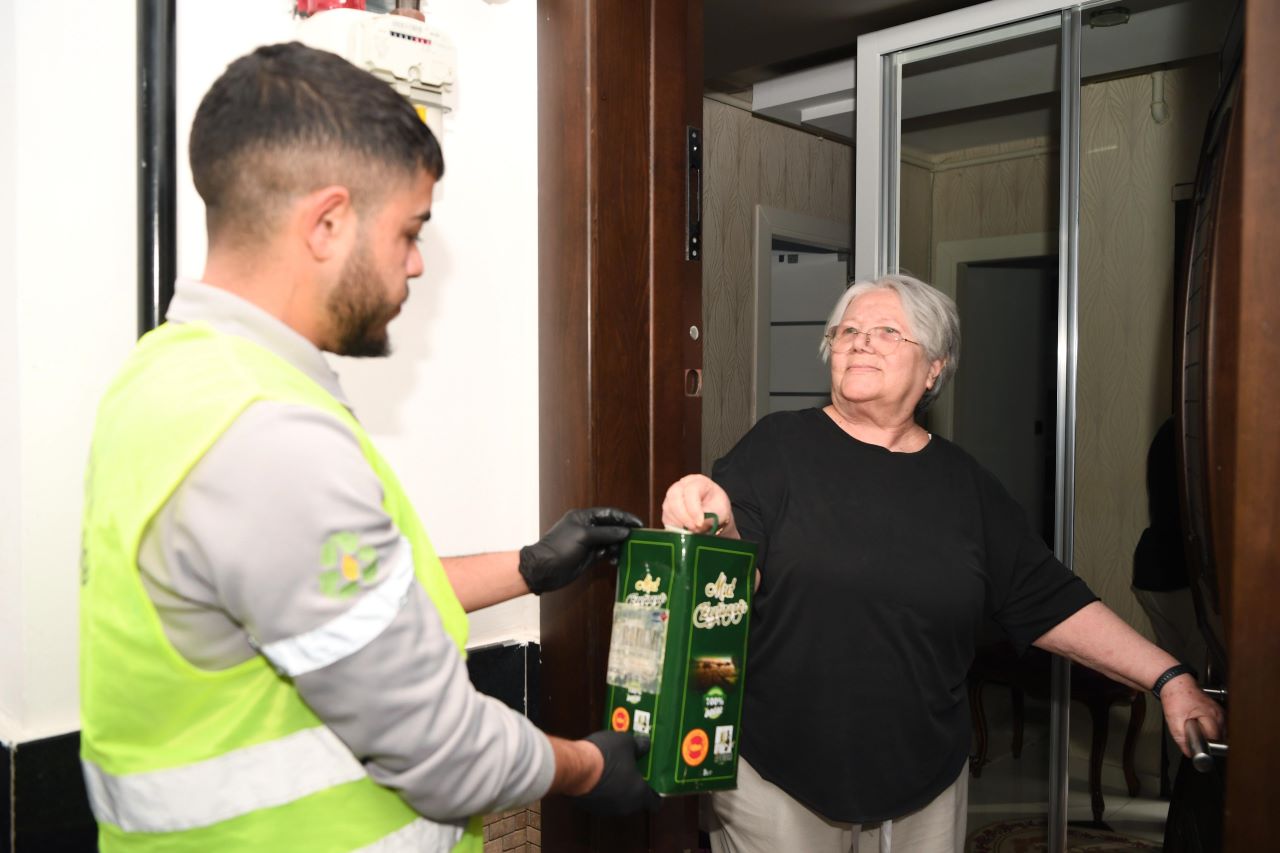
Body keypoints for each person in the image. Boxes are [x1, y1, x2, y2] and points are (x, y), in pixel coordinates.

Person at [80, 43, 656, 853]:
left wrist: (527, 565)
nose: (416, 264)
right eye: (409, 231)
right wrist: (587, 766)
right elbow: (442, 750)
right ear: (327, 222)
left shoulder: (173, 379)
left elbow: (322, 606)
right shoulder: (266, 432)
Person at [662, 274, 1225, 853]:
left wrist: (1169, 677)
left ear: (934, 368)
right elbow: (733, 575)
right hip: (779, 774)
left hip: (925, 777)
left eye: (886, 331)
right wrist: (716, 521)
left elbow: (1050, 601)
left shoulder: (965, 486)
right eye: (848, 330)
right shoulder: (775, 448)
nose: (859, 341)